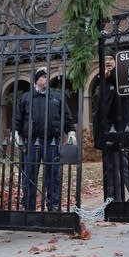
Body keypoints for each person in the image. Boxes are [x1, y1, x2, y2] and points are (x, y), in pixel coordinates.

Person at [14, 67, 76, 211]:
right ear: (36, 80)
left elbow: (66, 117)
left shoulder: (57, 97)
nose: (46, 78)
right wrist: (15, 133)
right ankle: (28, 206)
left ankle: (53, 204)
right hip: (31, 142)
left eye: (47, 76)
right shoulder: (26, 97)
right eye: (43, 76)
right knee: (29, 175)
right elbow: (18, 117)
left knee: (54, 175)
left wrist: (71, 132)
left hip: (52, 141)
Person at [93, 53, 129, 202]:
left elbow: (121, 97)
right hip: (107, 131)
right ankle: (115, 200)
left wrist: (112, 75)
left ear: (116, 63)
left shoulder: (122, 78)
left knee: (124, 165)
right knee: (111, 168)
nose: (107, 62)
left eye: (110, 59)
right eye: (105, 60)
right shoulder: (103, 82)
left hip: (120, 130)